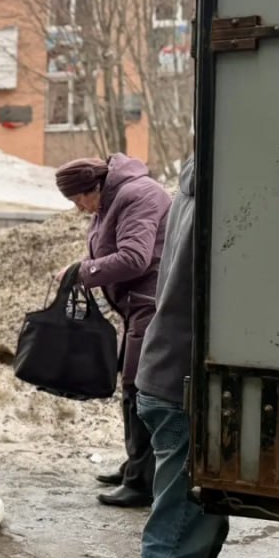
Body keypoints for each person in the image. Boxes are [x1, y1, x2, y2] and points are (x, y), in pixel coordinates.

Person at [126, 155, 279, 558]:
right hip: (186, 389)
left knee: (201, 533)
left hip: (185, 382)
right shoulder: (227, 186)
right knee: (177, 537)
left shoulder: (207, 170)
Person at [56, 155, 171, 509]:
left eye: (79, 201)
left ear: (95, 187)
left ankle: (142, 482)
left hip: (153, 302)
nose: (80, 209)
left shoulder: (137, 195)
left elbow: (135, 257)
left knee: (139, 388)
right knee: (132, 384)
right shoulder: (113, 199)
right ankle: (136, 466)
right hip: (138, 303)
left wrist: (83, 271)